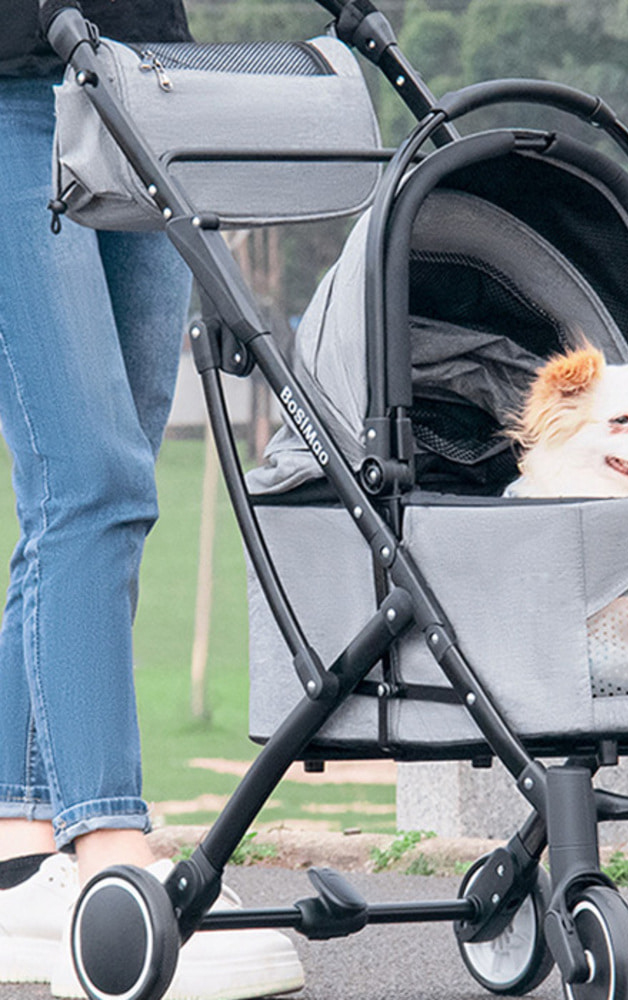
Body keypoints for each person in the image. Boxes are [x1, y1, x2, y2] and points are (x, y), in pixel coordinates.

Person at [0, 3, 305, 997]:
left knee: (95, 489)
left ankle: (19, 851)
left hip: (139, 82)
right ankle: (109, 856)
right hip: (10, 89)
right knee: (90, 478)